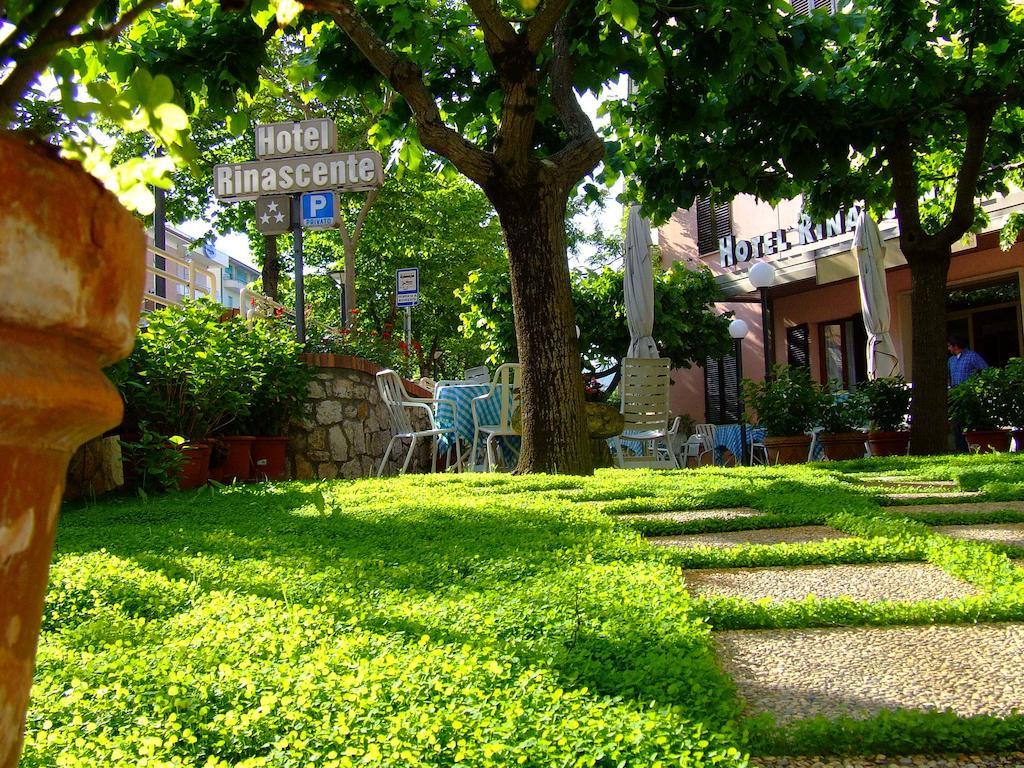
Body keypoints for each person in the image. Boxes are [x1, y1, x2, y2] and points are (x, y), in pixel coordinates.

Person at [947, 334, 988, 451]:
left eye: (950, 346)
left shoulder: (972, 356)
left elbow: (985, 370)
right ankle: (960, 448)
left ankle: (972, 447)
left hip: (969, 394)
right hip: (955, 395)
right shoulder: (951, 360)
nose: (949, 349)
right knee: (956, 423)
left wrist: (977, 385)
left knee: (969, 422)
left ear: (955, 346)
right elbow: (949, 376)